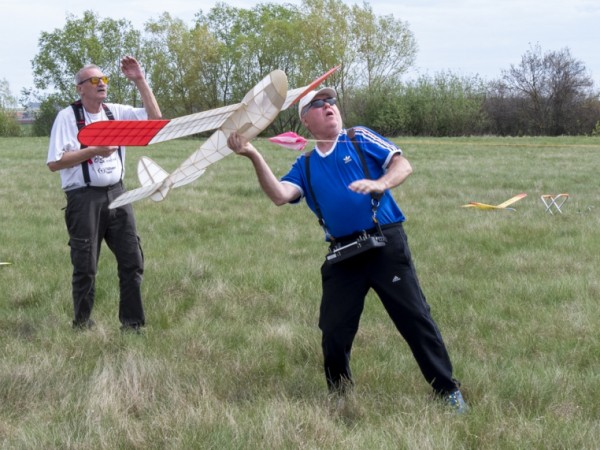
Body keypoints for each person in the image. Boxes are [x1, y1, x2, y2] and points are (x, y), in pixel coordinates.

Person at [227, 87, 468, 413]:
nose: (329, 108)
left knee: (414, 319)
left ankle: (447, 390)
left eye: (332, 102)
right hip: (344, 254)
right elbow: (280, 195)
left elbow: (403, 165)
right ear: (305, 122)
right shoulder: (306, 164)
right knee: (334, 331)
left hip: (384, 243)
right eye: (319, 105)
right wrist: (254, 155)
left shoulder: (358, 138)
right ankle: (340, 394)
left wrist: (381, 183)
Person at [47, 56, 162, 332]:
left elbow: (155, 120)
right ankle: (82, 324)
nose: (101, 85)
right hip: (83, 198)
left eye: (104, 80)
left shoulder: (115, 112)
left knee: (132, 259)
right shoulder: (68, 117)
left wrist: (139, 80)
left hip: (118, 194)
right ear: (80, 88)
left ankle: (133, 324)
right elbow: (55, 162)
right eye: (94, 81)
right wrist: (94, 150)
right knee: (85, 264)